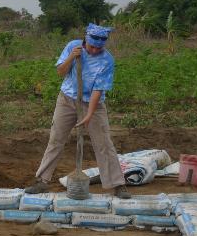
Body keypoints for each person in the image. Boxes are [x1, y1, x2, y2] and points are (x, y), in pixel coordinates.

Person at [25, 23, 131, 199]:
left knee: (104, 144)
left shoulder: (107, 60)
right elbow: (60, 72)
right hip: (67, 99)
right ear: (85, 41)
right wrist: (71, 58)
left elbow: (98, 90)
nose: (95, 50)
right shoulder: (72, 46)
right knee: (56, 139)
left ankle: (117, 184)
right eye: (91, 46)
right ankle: (42, 181)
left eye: (99, 48)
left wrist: (89, 114)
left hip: (93, 104)